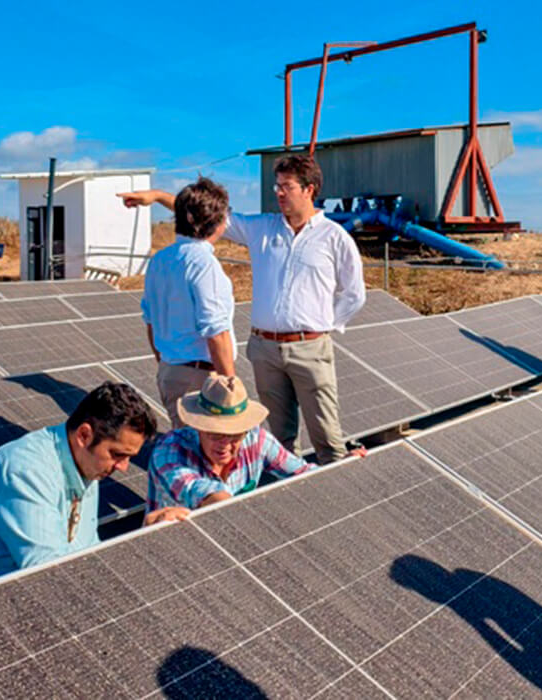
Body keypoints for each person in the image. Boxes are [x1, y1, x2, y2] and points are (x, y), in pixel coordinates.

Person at [120, 155, 365, 463]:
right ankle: (289, 482)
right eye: (277, 186)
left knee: (326, 434)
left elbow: (354, 294)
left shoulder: (335, 238)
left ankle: (332, 476)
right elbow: (203, 213)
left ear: (309, 189)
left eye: (286, 186)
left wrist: (321, 326)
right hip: (264, 349)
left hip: (310, 348)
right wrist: (158, 196)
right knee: (280, 439)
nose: (279, 192)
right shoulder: (261, 228)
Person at [0, 381, 159, 607]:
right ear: (84, 435)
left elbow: (85, 555)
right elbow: (50, 574)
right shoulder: (26, 471)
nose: (124, 467)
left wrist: (143, 537)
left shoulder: (84, 463)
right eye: (117, 454)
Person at [144, 373, 310, 525]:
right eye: (216, 434)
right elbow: (197, 490)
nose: (225, 444)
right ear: (199, 427)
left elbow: (304, 472)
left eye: (235, 435)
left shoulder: (257, 440)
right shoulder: (169, 452)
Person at [140, 177, 236, 428]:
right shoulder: (204, 264)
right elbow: (216, 332)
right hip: (201, 378)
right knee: (206, 448)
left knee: (183, 443)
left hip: (170, 371)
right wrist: (231, 385)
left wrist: (166, 363)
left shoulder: (159, 260)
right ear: (216, 221)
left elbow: (150, 321)